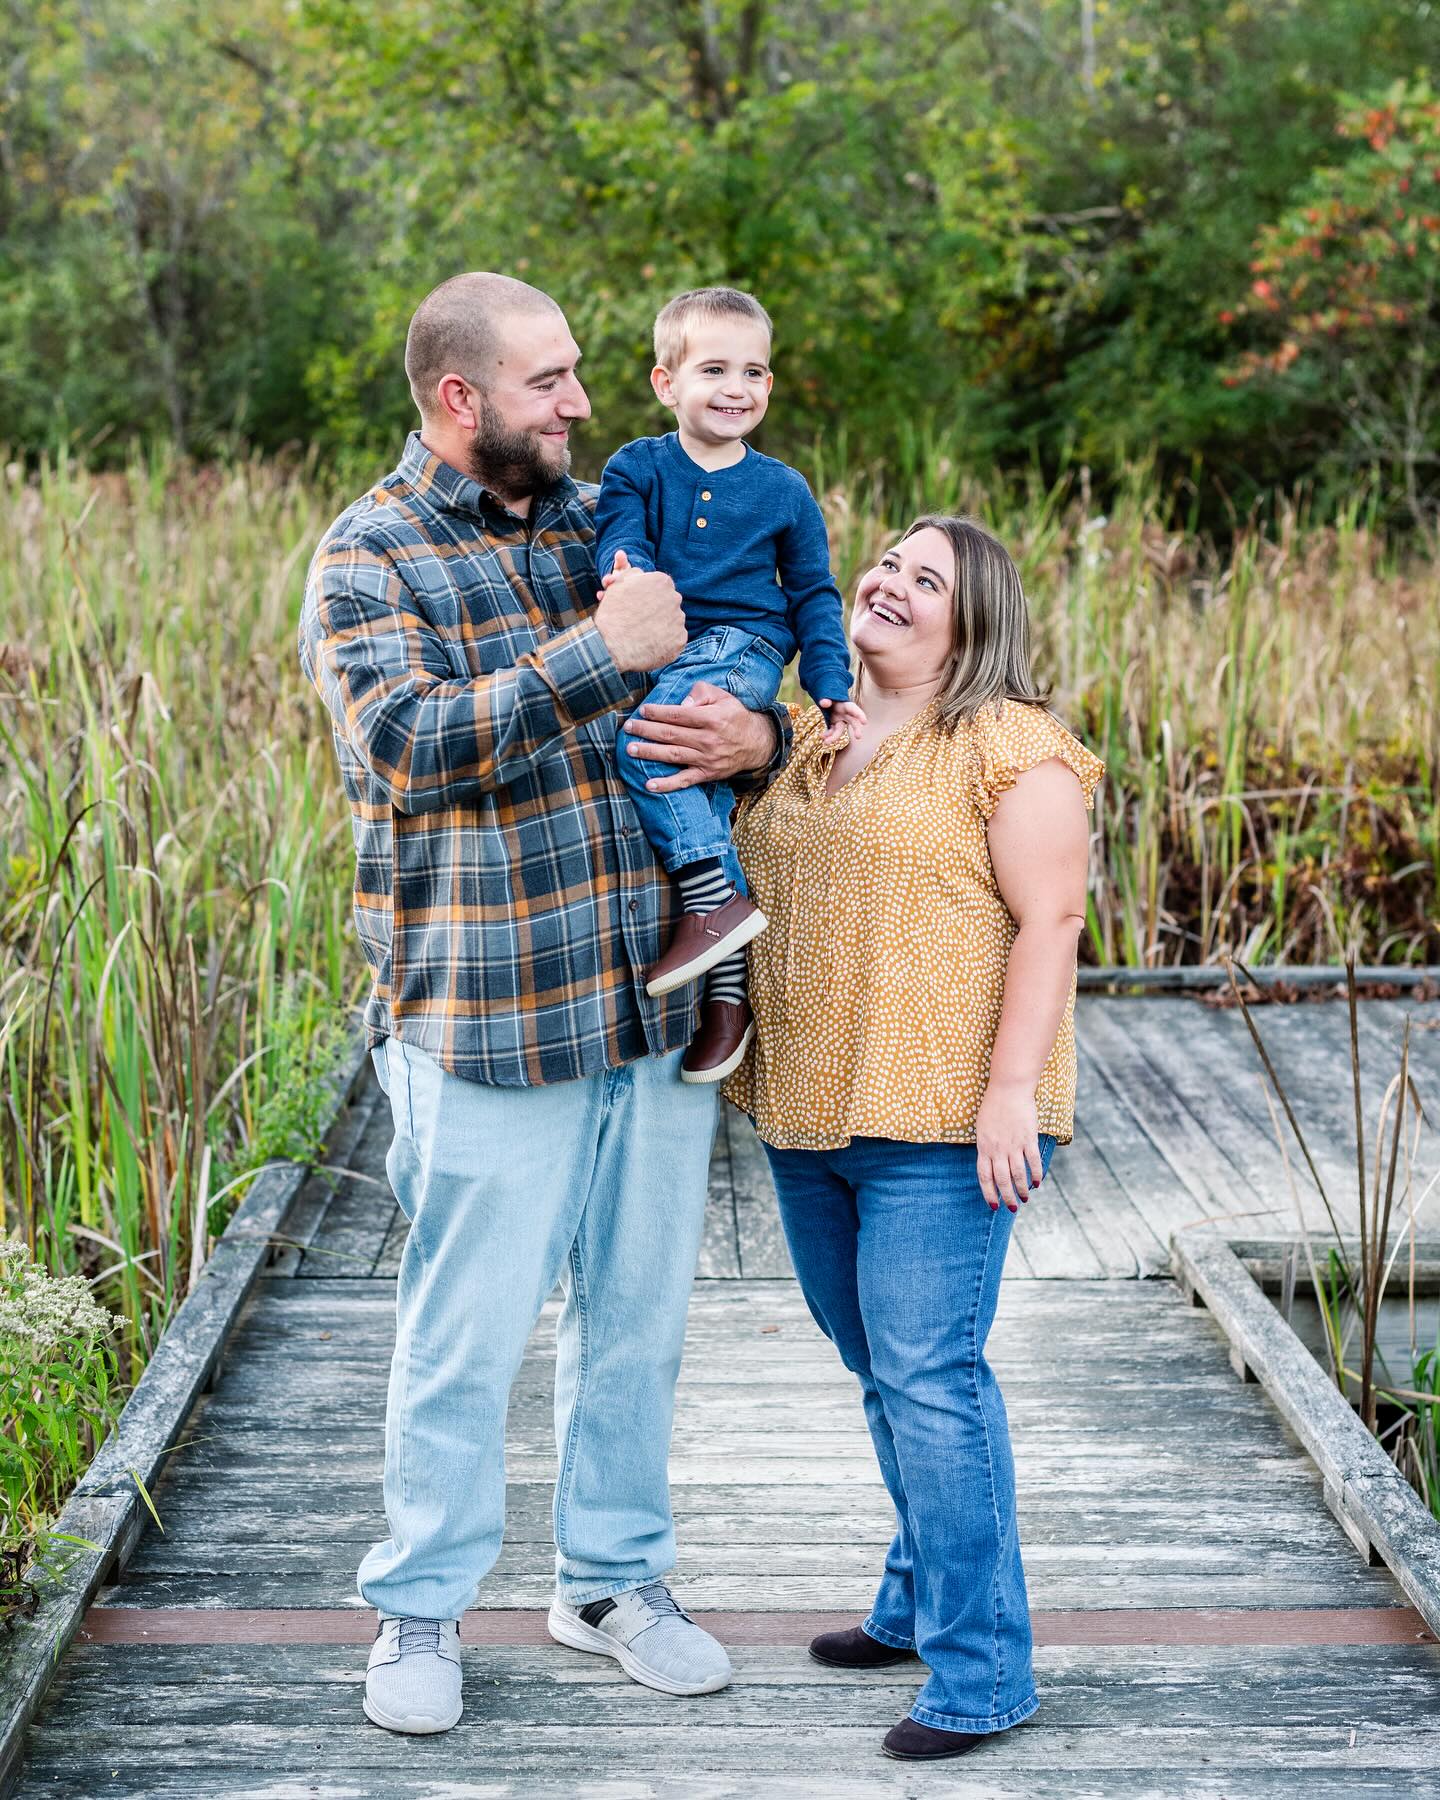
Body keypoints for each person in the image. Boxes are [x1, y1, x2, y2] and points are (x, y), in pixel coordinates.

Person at [298, 272, 788, 1736]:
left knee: (635, 1319)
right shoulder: (367, 558)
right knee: (466, 1333)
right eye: (550, 382)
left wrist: (752, 732)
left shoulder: (603, 523)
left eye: (579, 375)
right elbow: (402, 749)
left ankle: (612, 1585)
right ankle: (420, 1612)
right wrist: (598, 655)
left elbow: (718, 673)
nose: (582, 403)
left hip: (651, 1003)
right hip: (489, 1018)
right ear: (460, 402)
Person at [725, 515, 1104, 1763]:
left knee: (932, 1380)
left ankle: (985, 1673)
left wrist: (1011, 1092)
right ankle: (915, 1598)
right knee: (881, 1366)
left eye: (924, 578)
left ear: (971, 621)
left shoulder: (1009, 747)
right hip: (808, 1111)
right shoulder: (808, 732)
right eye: (884, 561)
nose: (888, 581)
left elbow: (1050, 920)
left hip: (940, 1117)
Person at [594, 286, 865, 1085]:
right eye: (714, 369)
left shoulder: (784, 490)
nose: (736, 387)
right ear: (665, 382)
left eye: (754, 371)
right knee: (698, 788)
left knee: (648, 742)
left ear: (770, 387)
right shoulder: (637, 466)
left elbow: (814, 592)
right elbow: (619, 536)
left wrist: (825, 679)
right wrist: (629, 575)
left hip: (743, 648)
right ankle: (727, 996)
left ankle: (712, 901)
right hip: (672, 642)